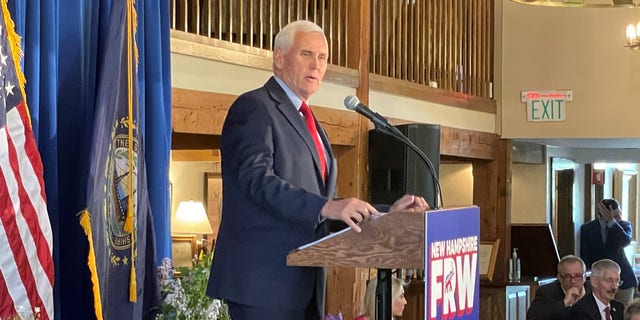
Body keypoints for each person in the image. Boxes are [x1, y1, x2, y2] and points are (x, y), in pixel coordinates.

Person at [205, 20, 429, 320]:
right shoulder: (255, 108)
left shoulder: (311, 123)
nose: (316, 65)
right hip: (264, 285)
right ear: (279, 58)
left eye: (322, 57)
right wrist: (327, 206)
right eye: (306, 54)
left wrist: (387, 214)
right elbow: (257, 181)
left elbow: (327, 204)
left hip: (305, 284)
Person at [580, 198, 637, 305]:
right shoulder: (587, 229)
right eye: (615, 216)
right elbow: (585, 257)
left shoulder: (624, 225)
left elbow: (625, 241)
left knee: (623, 314)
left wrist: (612, 222)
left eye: (619, 214)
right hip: (600, 281)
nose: (619, 218)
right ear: (602, 213)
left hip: (624, 280)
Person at [527, 255, 590, 320]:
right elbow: (532, 317)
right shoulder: (546, 291)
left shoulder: (594, 289)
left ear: (584, 277)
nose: (573, 281)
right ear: (559, 277)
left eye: (578, 276)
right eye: (567, 276)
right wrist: (564, 303)